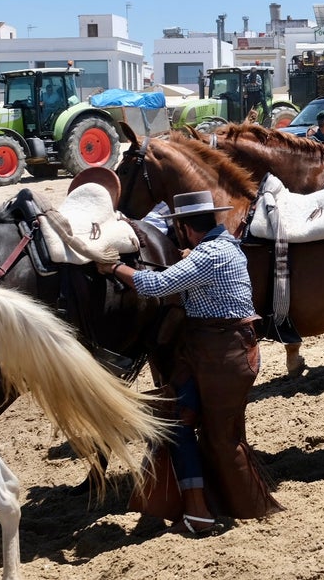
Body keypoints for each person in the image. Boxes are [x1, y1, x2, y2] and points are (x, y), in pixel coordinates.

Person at [98, 190, 282, 536]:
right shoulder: (224, 246)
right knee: (181, 423)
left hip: (221, 358)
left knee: (218, 438)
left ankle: (241, 507)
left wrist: (114, 267)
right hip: (218, 354)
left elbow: (155, 284)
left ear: (183, 228)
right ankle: (199, 509)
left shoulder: (208, 254)